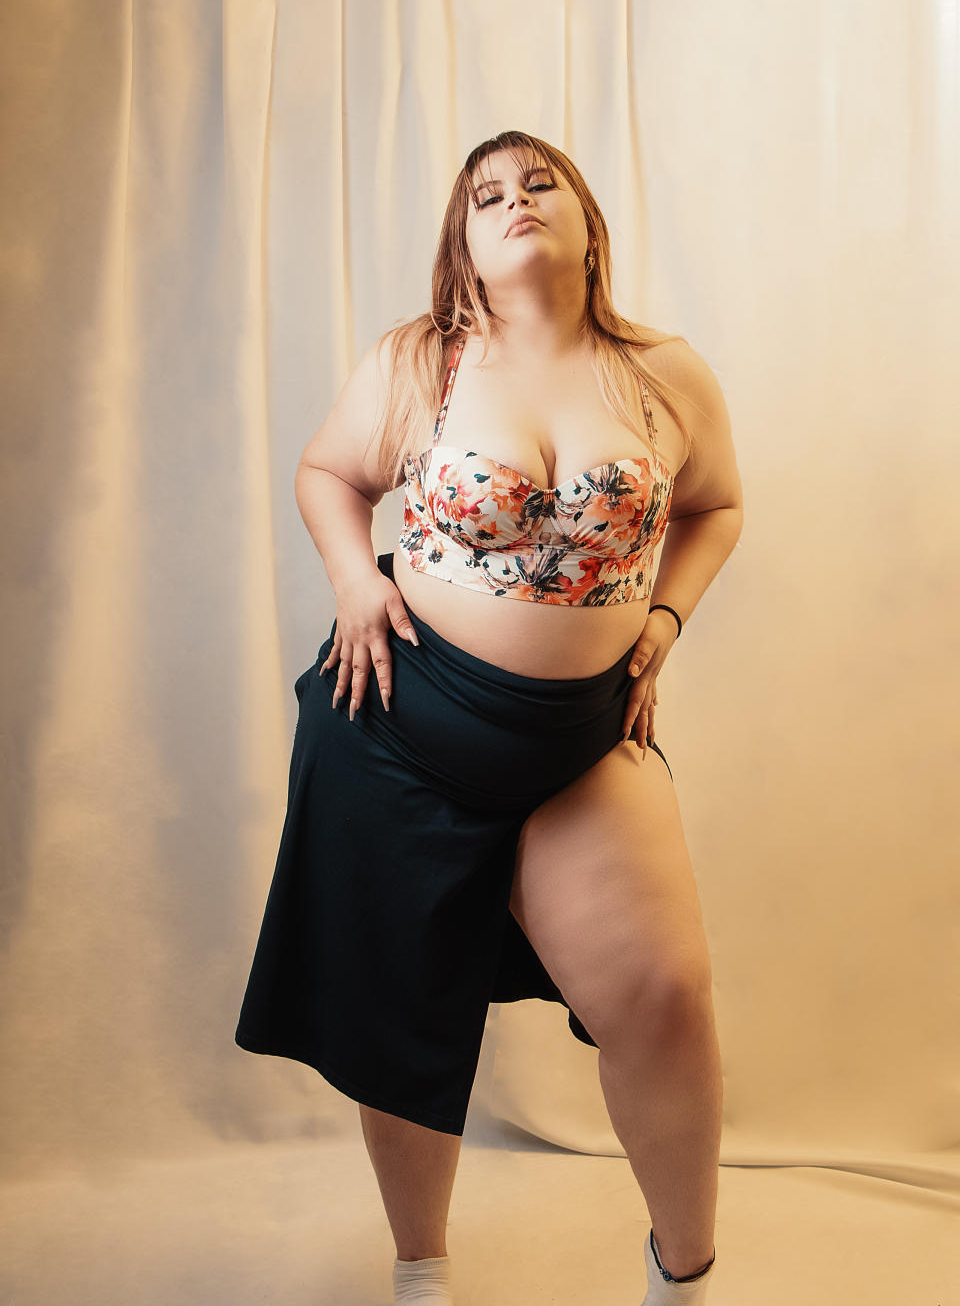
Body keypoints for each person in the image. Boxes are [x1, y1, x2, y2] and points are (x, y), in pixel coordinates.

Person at [235, 130, 744, 1305]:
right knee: (401, 1011)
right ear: (461, 242)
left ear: (588, 223)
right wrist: (355, 581)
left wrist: (666, 621)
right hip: (396, 728)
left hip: (580, 742)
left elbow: (716, 505)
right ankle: (421, 1272)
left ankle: (686, 1280)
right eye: (487, 195)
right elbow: (328, 472)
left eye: (539, 184)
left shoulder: (664, 373)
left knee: (663, 993)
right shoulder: (423, 361)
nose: (515, 201)